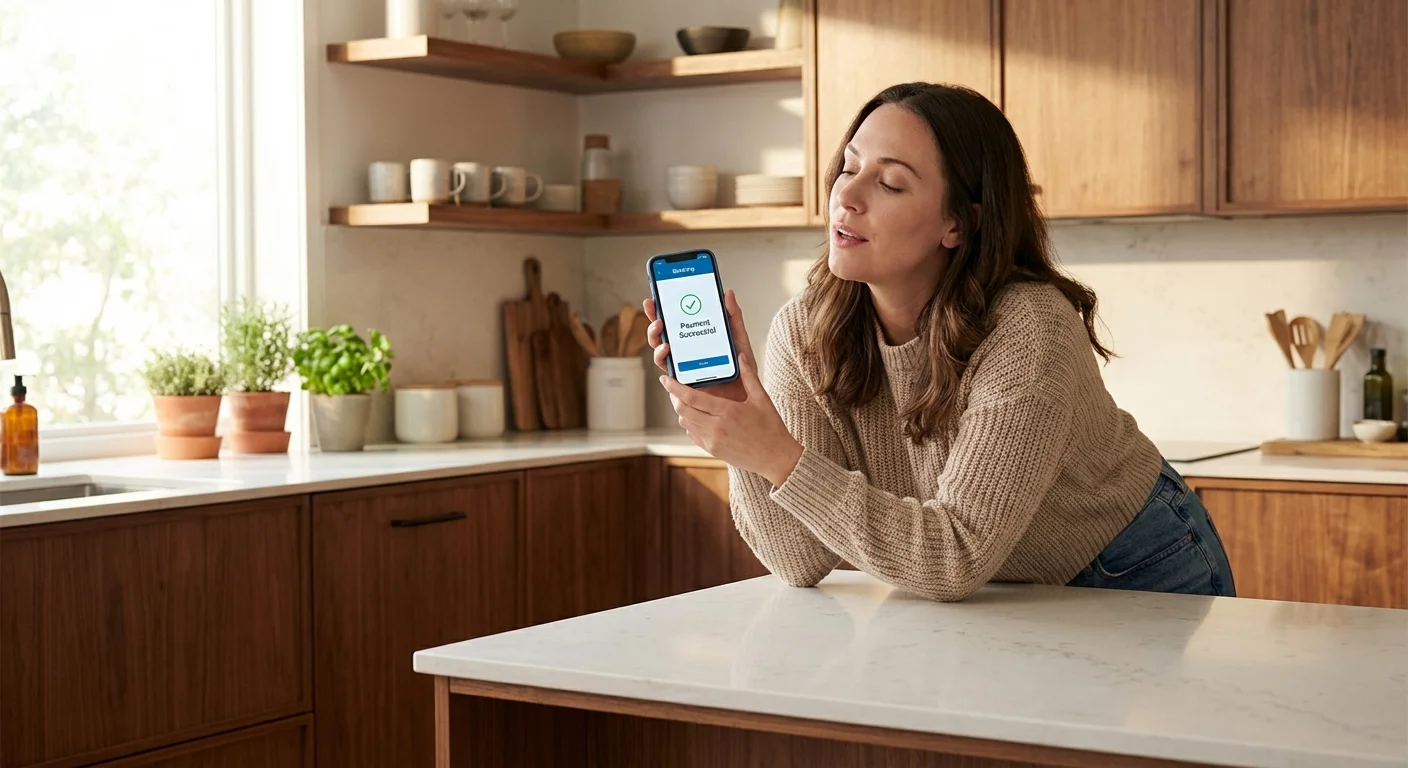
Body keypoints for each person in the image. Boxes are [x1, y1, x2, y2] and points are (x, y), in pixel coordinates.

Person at [642, 82, 1236, 602]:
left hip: (1136, 569)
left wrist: (779, 457)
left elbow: (954, 556)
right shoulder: (806, 329)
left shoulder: (1029, 329)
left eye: (891, 183)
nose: (847, 196)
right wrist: (745, 433)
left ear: (959, 223)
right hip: (995, 593)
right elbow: (801, 561)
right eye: (848, 167)